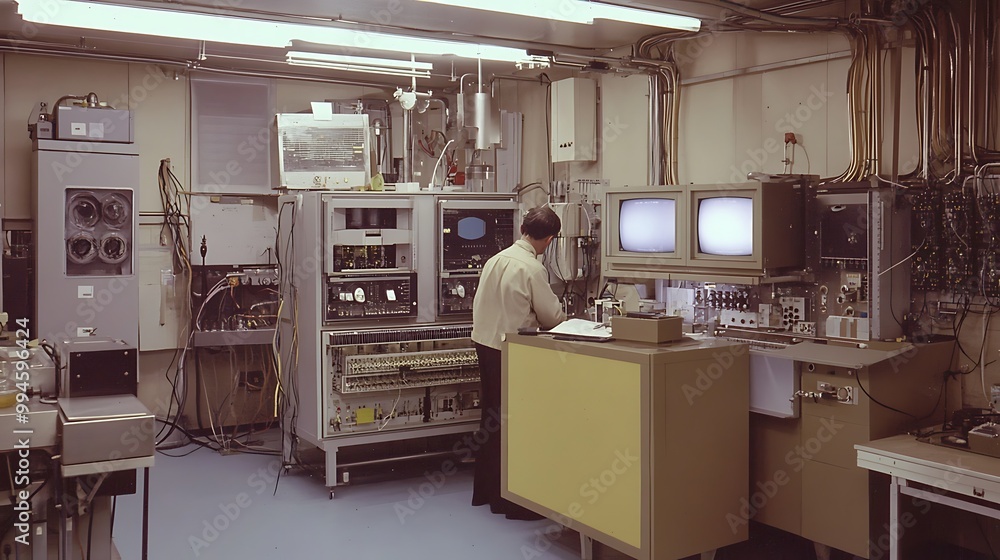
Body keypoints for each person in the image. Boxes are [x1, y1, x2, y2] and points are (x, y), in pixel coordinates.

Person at [470, 205, 566, 520]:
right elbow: (552, 317)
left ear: (523, 229)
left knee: (492, 420)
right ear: (549, 240)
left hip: (485, 344)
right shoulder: (532, 268)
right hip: (512, 350)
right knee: (516, 425)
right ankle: (512, 504)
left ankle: (487, 494)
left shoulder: (496, 259)